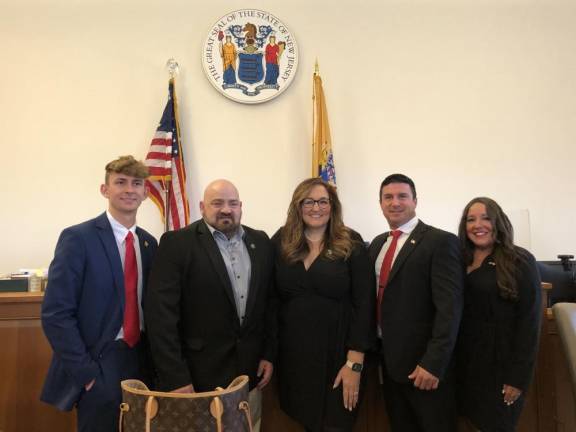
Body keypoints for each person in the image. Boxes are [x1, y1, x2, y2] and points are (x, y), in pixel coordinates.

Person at [145, 179, 275, 431]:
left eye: (232, 203)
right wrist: (175, 377)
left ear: (241, 207)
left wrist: (268, 353)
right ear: (203, 206)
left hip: (248, 378)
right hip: (196, 380)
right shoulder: (177, 243)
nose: (226, 209)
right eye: (217, 203)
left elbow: (268, 304)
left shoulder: (260, 242)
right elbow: (161, 316)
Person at [41, 155, 158, 432]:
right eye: (120, 182)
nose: (129, 189)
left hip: (141, 360)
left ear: (144, 192)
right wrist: (86, 373)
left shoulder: (149, 243)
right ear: (105, 190)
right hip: (99, 361)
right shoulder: (78, 239)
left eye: (136, 183)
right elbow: (56, 314)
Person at [272, 178, 375, 432]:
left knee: (336, 424)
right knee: (305, 422)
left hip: (340, 357)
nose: (316, 208)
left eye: (323, 201)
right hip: (295, 358)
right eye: (309, 201)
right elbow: (270, 301)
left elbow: (365, 304)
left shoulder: (351, 242)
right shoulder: (281, 241)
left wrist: (355, 362)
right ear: (298, 206)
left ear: (333, 206)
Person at [368, 173, 463, 432]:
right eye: (388, 197)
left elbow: (450, 309)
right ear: (380, 203)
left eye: (402, 196)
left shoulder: (439, 242)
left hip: (425, 370)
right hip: (388, 365)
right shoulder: (378, 244)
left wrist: (433, 363)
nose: (395, 203)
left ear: (415, 201)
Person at [456, 197, 541, 432]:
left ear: (498, 222)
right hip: (464, 366)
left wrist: (517, 378)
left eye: (485, 218)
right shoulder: (457, 259)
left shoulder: (519, 260)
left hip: (501, 368)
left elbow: (529, 323)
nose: (478, 225)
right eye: (471, 220)